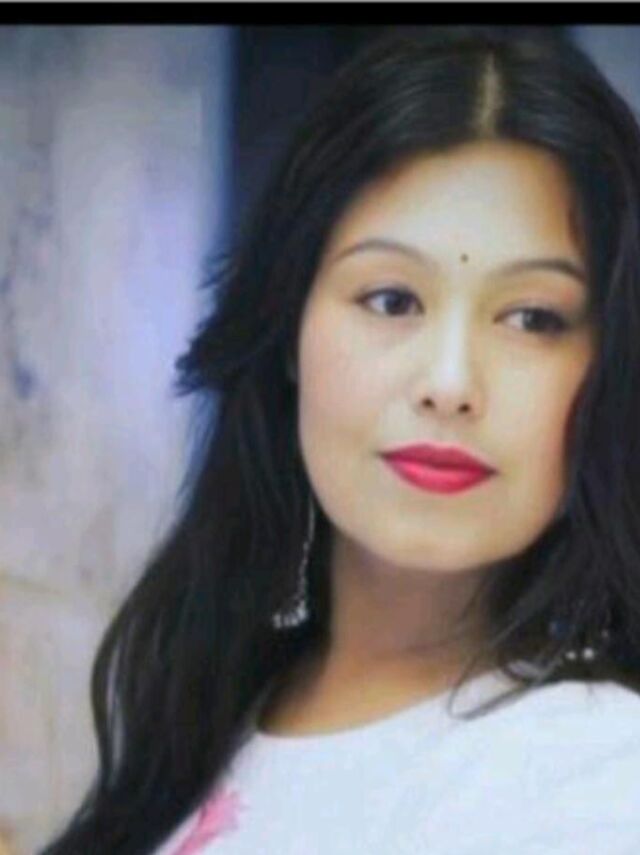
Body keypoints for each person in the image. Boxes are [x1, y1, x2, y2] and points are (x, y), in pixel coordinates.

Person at [42, 27, 640, 855]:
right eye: (392, 300)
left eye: (533, 317)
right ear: (289, 329)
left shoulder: (595, 771)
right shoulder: (210, 708)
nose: (450, 382)